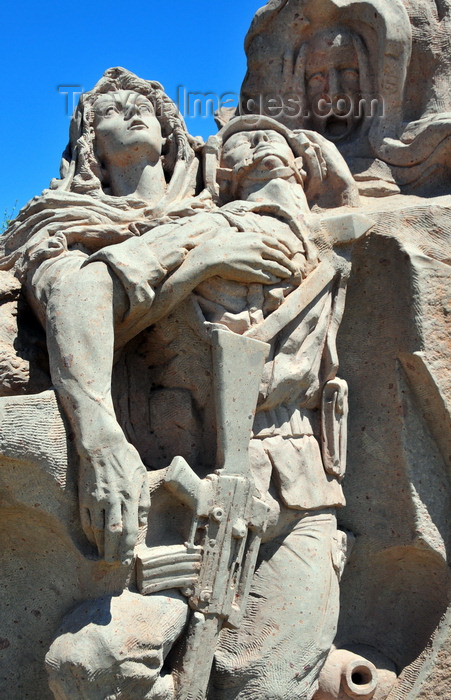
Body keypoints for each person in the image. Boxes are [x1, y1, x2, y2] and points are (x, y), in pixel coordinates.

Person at [44, 113, 354, 700]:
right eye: (244, 140)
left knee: (272, 679)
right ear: (226, 172)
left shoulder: (327, 245)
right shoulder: (209, 226)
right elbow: (78, 289)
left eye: (280, 140)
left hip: (303, 483)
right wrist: (198, 265)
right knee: (91, 663)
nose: (266, 140)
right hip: (193, 487)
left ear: (301, 165)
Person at [0, 68, 303, 568]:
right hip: (125, 444)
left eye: (146, 108)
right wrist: (201, 263)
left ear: (169, 138)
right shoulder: (63, 221)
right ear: (92, 147)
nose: (133, 112)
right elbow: (78, 303)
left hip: (253, 460)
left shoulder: (220, 214)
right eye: (111, 113)